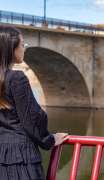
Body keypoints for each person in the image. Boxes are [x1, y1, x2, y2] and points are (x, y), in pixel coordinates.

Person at [0, 25, 68, 180]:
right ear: (11, 48)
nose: (24, 48)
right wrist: (50, 139)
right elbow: (32, 119)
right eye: (23, 44)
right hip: (20, 159)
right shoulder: (16, 78)